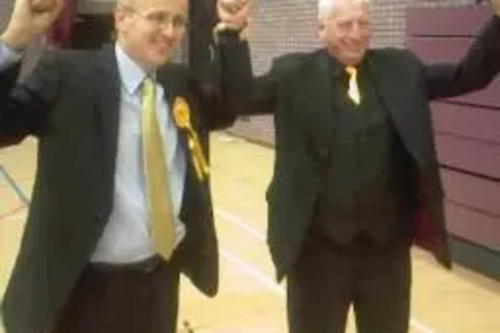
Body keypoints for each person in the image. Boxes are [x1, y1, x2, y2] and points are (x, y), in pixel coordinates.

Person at [218, 0, 500, 332]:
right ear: (321, 30)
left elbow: (466, 76)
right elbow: (241, 98)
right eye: (345, 25)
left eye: (363, 23)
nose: (356, 34)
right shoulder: (293, 74)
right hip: (317, 254)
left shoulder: (401, 69)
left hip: (385, 253)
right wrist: (231, 35)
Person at [0, 0, 249, 332]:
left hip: (158, 285)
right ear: (123, 19)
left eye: (178, 21)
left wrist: (231, 33)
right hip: (79, 290)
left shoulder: (180, 82)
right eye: (158, 18)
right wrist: (15, 38)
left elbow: (233, 106)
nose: (170, 31)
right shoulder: (67, 73)